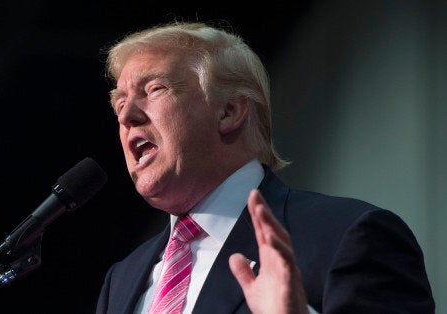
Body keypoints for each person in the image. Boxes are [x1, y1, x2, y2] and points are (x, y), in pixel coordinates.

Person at [95, 21, 434, 313]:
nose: (126, 116)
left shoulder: (349, 236)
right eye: (120, 102)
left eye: (155, 89)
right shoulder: (123, 278)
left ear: (229, 112)